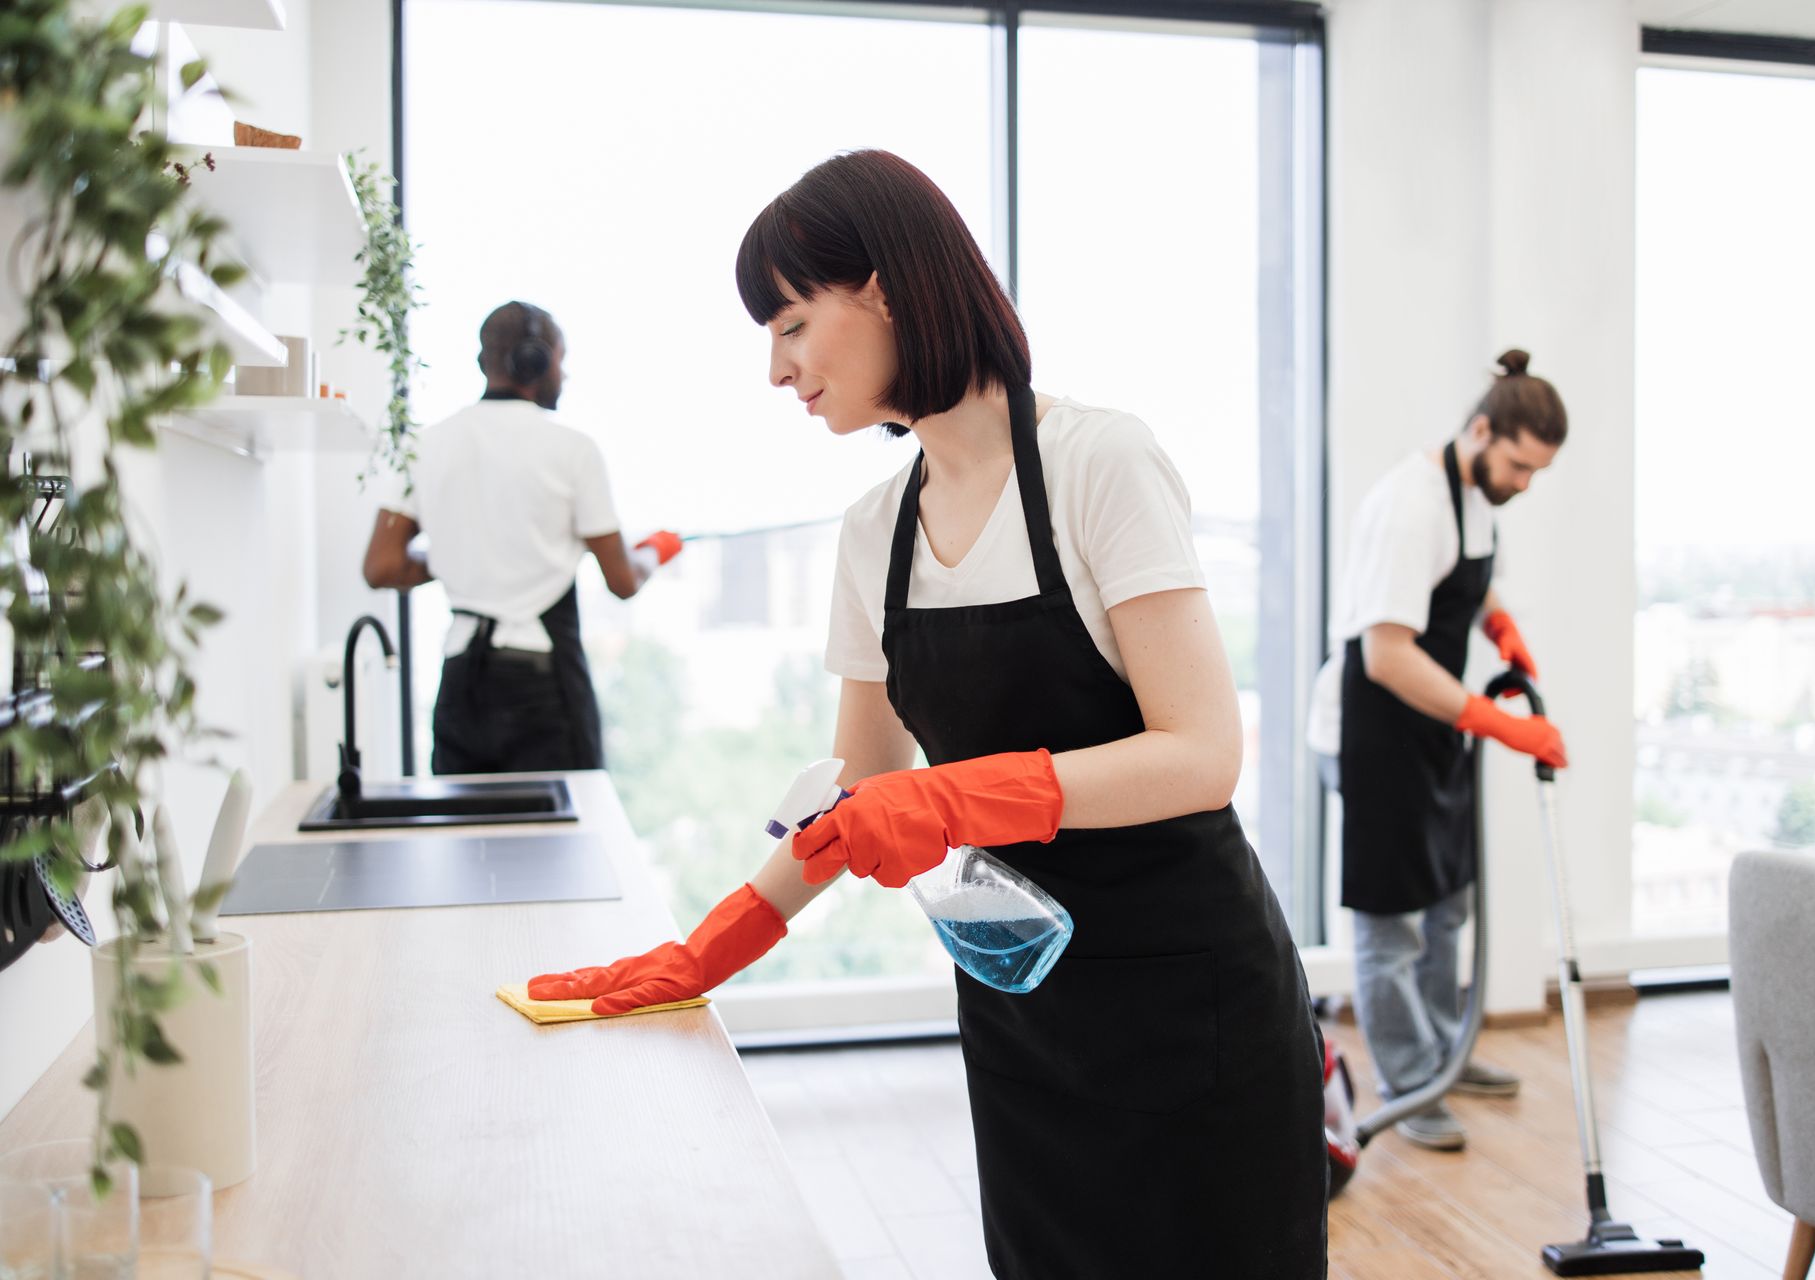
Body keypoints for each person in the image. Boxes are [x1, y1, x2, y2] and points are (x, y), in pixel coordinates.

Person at [528, 151, 1328, 1276]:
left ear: (887, 288)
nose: (777, 368)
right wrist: (709, 947)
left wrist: (960, 793)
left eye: (792, 323)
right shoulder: (874, 532)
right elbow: (860, 787)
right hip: (1019, 1012)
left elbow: (1202, 753)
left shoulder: (1101, 462)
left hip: (1187, 1006)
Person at [1305, 349, 1570, 1151]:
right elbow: (1385, 655)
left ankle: (1444, 1057)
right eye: (1519, 465)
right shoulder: (1410, 503)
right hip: (1372, 732)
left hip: (1430, 728)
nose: (1523, 483)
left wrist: (1499, 623)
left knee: (1449, 899)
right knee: (1394, 922)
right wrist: (1502, 725)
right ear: (1481, 429)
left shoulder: (1476, 492)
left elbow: (1464, 577)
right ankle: (1413, 1081)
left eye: (1537, 473)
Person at [361, 301, 681, 775]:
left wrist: (462, 553)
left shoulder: (424, 447)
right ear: (537, 360)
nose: (565, 376)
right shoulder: (572, 448)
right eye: (561, 360)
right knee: (562, 843)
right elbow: (622, 580)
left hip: (461, 682)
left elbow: (382, 567)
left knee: (467, 840)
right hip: (544, 685)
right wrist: (658, 549)